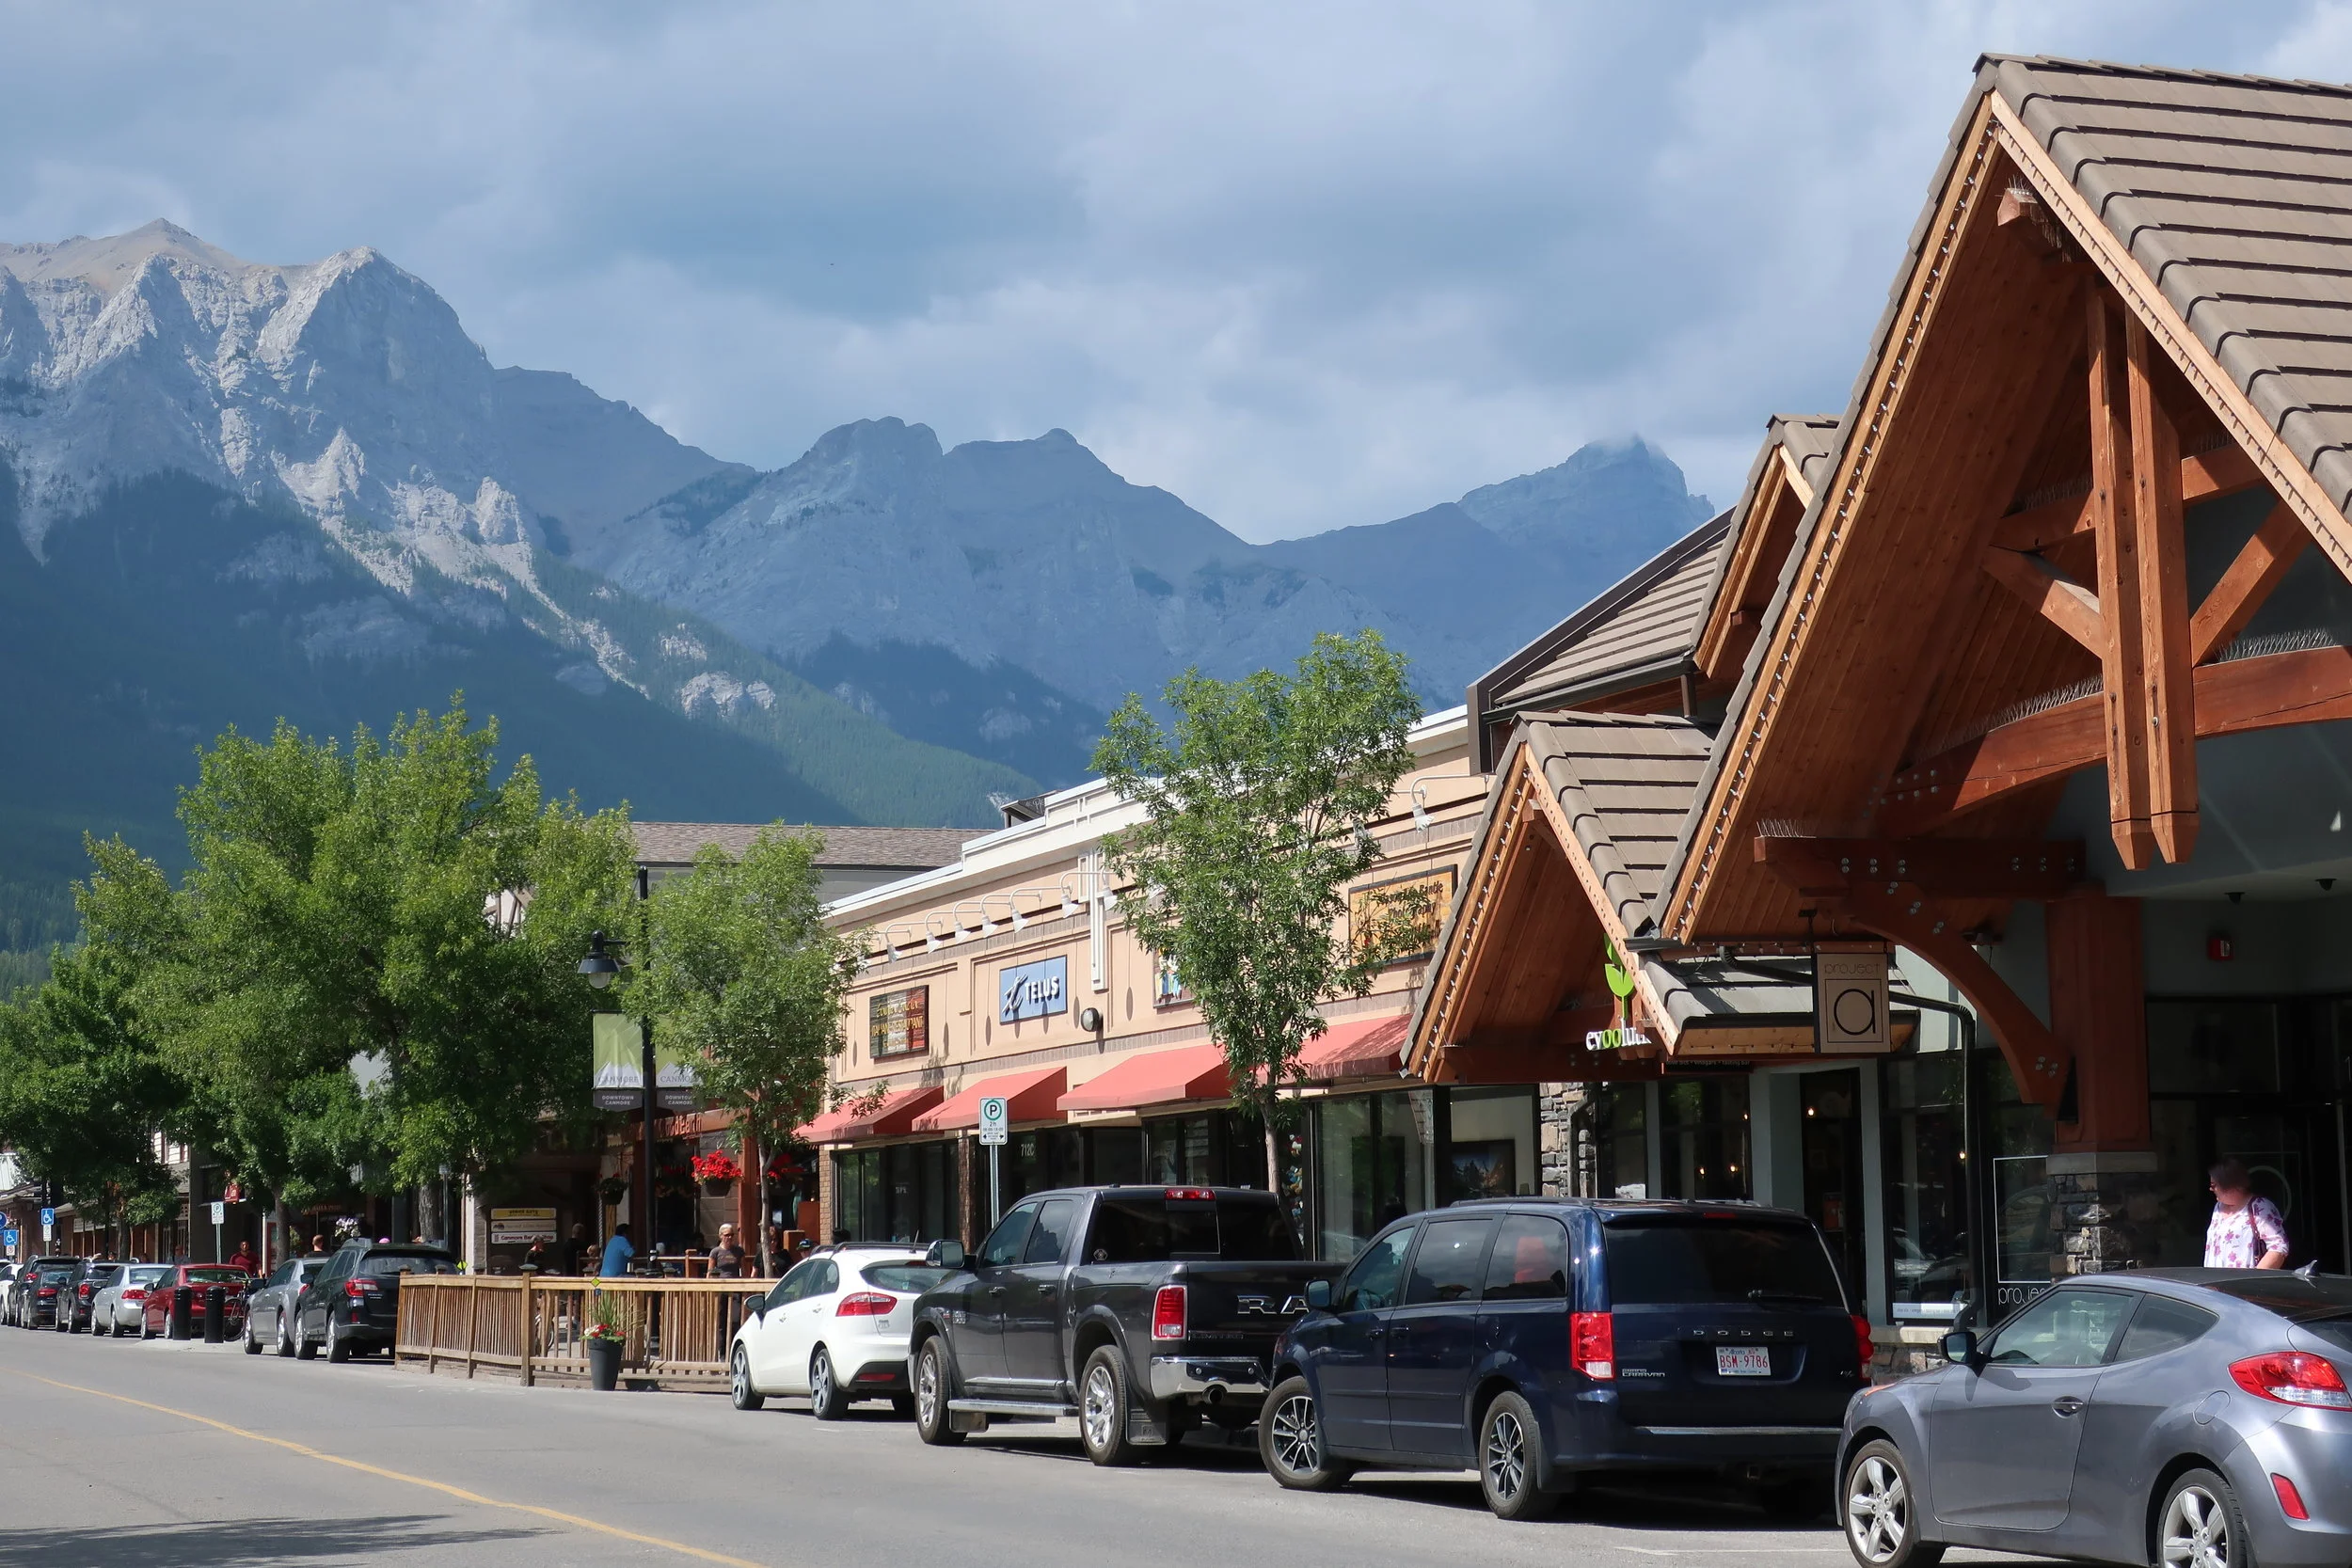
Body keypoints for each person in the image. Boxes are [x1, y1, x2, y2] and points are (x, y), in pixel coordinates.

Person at [2204, 1157, 2289, 1269]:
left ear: (2229, 1186)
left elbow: (2278, 1247)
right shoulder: (2218, 1207)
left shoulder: (2259, 1206)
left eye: (2214, 1185)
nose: (2211, 1189)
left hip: (2244, 1279)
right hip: (2214, 1279)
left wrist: (2255, 1277)